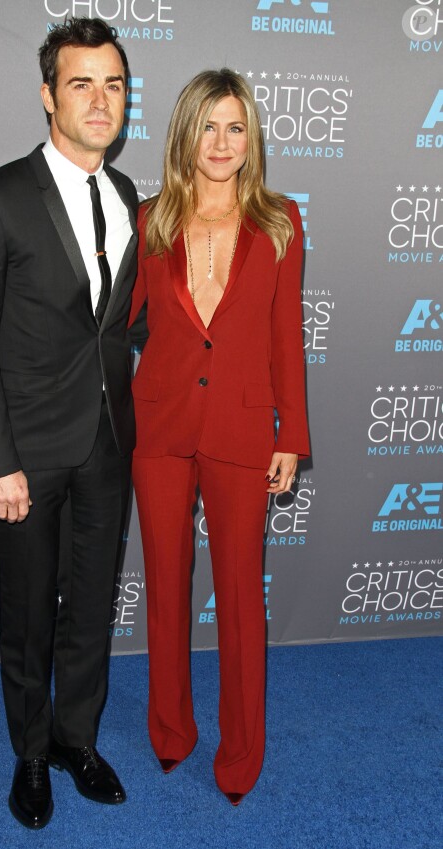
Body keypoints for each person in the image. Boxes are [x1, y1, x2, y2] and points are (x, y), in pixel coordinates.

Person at [0, 18, 140, 829]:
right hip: (25, 452)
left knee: (91, 604)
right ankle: (30, 754)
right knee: (28, 612)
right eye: (81, 84)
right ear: (47, 96)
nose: (100, 101)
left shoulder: (129, 195)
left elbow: (118, 327)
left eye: (114, 84)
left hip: (106, 443)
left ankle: (75, 737)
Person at [128, 69, 310, 806]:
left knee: (240, 596)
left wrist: (290, 435)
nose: (222, 142)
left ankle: (241, 754)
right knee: (166, 590)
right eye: (209, 125)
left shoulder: (279, 220)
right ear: (185, 133)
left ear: (252, 138)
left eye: (236, 127)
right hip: (160, 429)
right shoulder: (149, 221)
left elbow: (285, 339)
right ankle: (171, 732)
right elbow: (110, 328)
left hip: (241, 429)